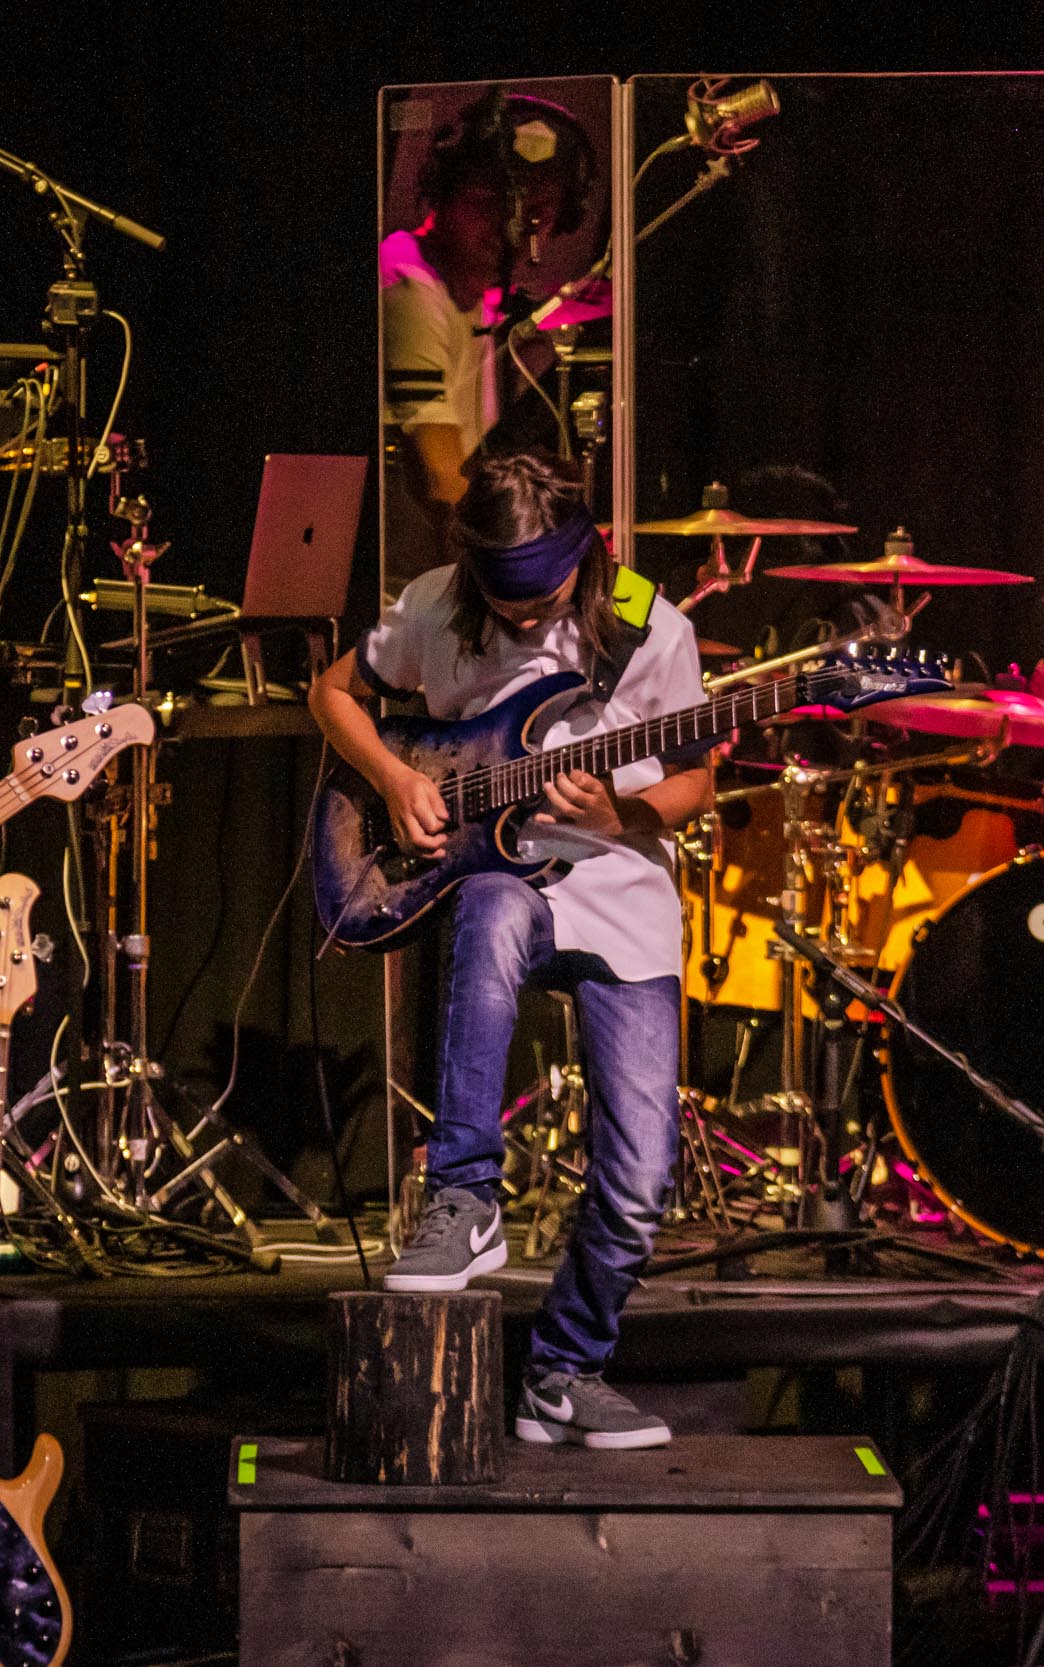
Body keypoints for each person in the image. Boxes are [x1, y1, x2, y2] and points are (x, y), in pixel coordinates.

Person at [311, 451, 709, 1450]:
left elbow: (695, 783)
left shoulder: (653, 626)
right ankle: (464, 1192)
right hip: (500, 871)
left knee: (639, 1181)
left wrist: (622, 815)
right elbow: (333, 695)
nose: (527, 621)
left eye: (546, 602)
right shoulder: (434, 604)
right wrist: (397, 778)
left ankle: (564, 1373)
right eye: (506, 603)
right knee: (491, 907)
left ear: (585, 556)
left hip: (620, 889)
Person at [381, 89, 595, 596]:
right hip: (412, 587)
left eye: (535, 214)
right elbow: (442, 477)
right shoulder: (409, 281)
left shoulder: (480, 295)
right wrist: (532, 566)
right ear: (444, 193)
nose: (509, 227)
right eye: (485, 202)